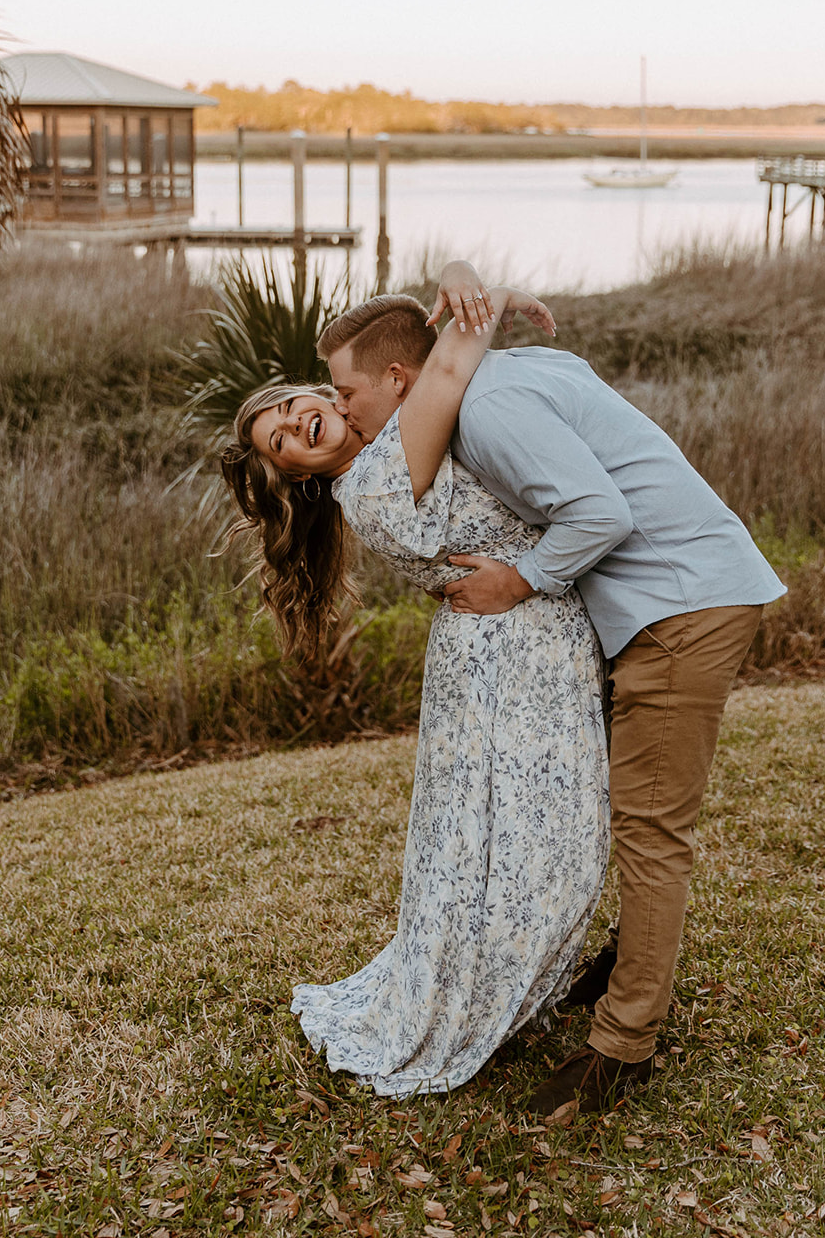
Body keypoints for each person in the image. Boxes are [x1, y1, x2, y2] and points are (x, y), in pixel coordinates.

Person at [318, 261, 787, 1118]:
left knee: (649, 830)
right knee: (627, 808)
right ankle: (623, 962)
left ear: (396, 378)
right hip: (677, 593)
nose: (339, 407)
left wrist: (517, 582)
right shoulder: (512, 373)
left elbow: (598, 513)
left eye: (344, 390)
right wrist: (479, 290)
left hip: (679, 605)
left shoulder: (487, 410)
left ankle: (623, 1042)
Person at [219, 276, 611, 1099]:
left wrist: (450, 300)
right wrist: (490, 291)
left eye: (293, 406)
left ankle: (506, 981)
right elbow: (437, 371)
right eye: (280, 442)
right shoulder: (373, 482)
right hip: (515, 646)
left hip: (494, 645)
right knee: (546, 842)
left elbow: (408, 372)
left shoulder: (392, 448)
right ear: (298, 478)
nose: (294, 424)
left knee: (495, 841)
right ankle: (488, 995)